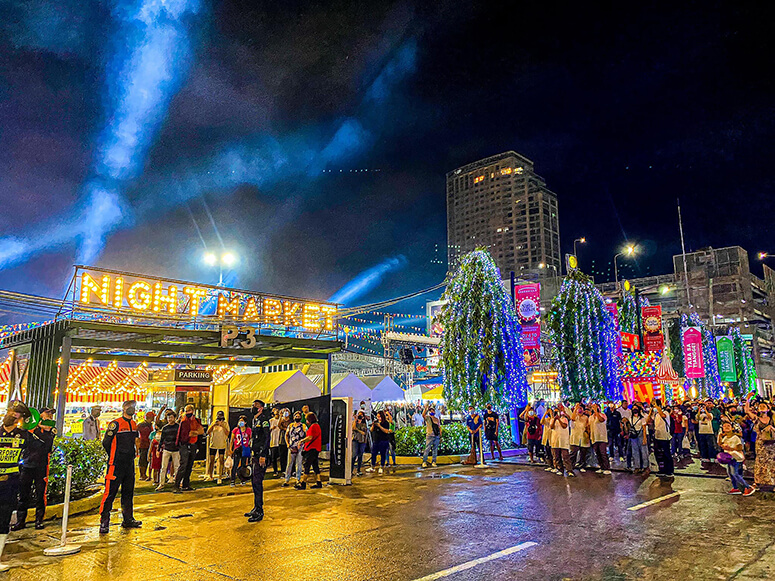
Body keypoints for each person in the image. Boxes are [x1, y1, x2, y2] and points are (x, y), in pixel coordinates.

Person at [99, 400, 142, 534]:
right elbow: (106, 442)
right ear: (123, 408)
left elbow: (136, 441)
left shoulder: (134, 424)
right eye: (129, 406)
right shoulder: (115, 424)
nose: (131, 408)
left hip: (129, 464)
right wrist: (115, 455)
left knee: (128, 492)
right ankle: (104, 521)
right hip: (115, 464)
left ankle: (128, 519)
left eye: (133, 406)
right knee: (110, 493)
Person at [14, 407, 55, 530]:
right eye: (47, 413)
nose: (49, 415)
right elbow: (24, 444)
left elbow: (48, 447)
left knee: (40, 494)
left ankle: (39, 520)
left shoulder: (49, 431)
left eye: (50, 414)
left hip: (41, 466)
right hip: (27, 465)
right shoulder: (27, 430)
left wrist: (45, 430)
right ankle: (20, 521)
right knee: (23, 494)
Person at [0, 401, 30, 572]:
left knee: (4, 520)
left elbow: (43, 447)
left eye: (16, 413)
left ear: (21, 418)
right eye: (10, 410)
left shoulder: (23, 435)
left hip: (10, 483)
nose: (11, 414)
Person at [246, 400, 271, 522]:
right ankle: (256, 507)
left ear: (261, 408)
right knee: (254, 482)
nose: (253, 407)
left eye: (255, 406)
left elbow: (267, 438)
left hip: (261, 455)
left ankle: (259, 511)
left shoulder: (264, 420)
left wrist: (263, 455)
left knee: (257, 482)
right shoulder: (255, 420)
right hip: (255, 454)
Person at [744, 393, 775, 490]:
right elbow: (747, 411)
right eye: (760, 406)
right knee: (760, 462)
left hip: (772, 444)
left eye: (763, 406)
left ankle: (773, 482)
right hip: (761, 444)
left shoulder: (773, 418)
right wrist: (748, 399)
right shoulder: (756, 419)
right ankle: (758, 482)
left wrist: (771, 428)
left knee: (772, 463)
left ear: (768, 409)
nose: (761, 407)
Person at [718, 419, 754, 495]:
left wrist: (730, 448)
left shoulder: (735, 437)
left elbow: (740, 448)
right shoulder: (725, 437)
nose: (726, 427)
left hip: (736, 458)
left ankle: (748, 487)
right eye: (724, 426)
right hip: (729, 458)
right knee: (730, 473)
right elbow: (720, 443)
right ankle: (736, 488)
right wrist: (720, 436)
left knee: (735, 474)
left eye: (728, 426)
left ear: (732, 428)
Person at [173, 405, 203, 493]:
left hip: (193, 444)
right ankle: (176, 485)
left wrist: (195, 432)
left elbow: (201, 431)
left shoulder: (196, 420)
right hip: (185, 444)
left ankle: (185, 484)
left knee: (189, 465)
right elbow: (187, 434)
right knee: (183, 465)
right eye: (186, 410)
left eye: (189, 410)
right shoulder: (184, 421)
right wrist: (195, 432)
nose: (188, 412)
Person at [296, 412, 323, 489]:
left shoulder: (313, 426)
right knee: (315, 465)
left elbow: (310, 437)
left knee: (307, 466)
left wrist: (301, 441)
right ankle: (318, 482)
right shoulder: (317, 426)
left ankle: (303, 483)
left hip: (311, 448)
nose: (306, 421)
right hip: (316, 448)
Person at [157, 410, 180, 491]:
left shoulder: (178, 427)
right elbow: (162, 439)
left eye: (171, 417)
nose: (169, 419)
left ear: (175, 418)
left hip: (176, 449)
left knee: (177, 467)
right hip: (166, 449)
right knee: (163, 467)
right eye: (168, 418)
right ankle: (161, 483)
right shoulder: (165, 428)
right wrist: (158, 449)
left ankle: (178, 483)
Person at [650, 400, 674, 477]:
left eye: (655, 405)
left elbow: (663, 415)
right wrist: (651, 411)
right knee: (659, 455)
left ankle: (669, 470)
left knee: (666, 453)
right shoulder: (656, 414)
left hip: (665, 436)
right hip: (657, 436)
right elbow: (650, 420)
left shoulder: (665, 412)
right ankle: (662, 469)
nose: (654, 407)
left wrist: (658, 407)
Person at [206, 411, 229, 484]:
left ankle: (220, 476)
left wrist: (222, 425)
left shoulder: (225, 423)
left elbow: (227, 433)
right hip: (213, 444)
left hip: (222, 444)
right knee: (212, 460)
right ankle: (210, 475)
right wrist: (213, 425)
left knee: (221, 459)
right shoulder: (214, 423)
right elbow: (208, 432)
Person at [551, 405, 574, 477]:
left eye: (557, 412)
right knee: (557, 456)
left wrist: (559, 419)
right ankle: (560, 469)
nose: (556, 414)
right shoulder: (552, 419)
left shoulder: (564, 419)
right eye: (555, 412)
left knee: (565, 456)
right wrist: (555, 419)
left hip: (563, 440)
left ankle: (569, 470)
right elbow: (551, 427)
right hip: (555, 440)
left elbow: (564, 426)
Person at [284, 411, 306, 486]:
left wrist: (303, 443)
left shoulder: (303, 426)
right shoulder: (290, 426)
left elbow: (307, 435)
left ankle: (298, 479)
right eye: (296, 416)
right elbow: (286, 435)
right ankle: (287, 479)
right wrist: (287, 444)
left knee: (299, 464)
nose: (297, 417)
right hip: (291, 446)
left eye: (298, 416)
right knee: (289, 464)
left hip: (300, 447)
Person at [589, 403, 611, 474]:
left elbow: (601, 420)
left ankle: (607, 468)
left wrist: (596, 412)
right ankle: (601, 467)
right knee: (597, 453)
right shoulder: (591, 417)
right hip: (594, 437)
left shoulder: (603, 415)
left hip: (601, 437)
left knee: (603, 453)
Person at [230, 415, 252, 486]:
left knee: (243, 464)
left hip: (245, 448)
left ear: (245, 422)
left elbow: (251, 438)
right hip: (237, 448)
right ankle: (232, 480)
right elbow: (232, 440)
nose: (240, 422)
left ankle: (242, 479)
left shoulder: (248, 430)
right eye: (239, 421)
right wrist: (230, 449)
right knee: (235, 464)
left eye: (242, 421)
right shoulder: (235, 430)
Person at [569, 404, 591, 472]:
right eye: (579, 408)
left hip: (583, 437)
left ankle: (582, 466)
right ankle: (570, 468)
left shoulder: (586, 417)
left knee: (583, 453)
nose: (580, 410)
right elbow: (572, 419)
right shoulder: (574, 416)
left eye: (581, 408)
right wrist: (575, 408)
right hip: (575, 437)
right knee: (573, 453)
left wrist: (588, 435)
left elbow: (587, 427)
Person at [629, 407, 649, 474]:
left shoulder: (642, 418)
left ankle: (646, 467)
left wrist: (644, 438)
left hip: (641, 435)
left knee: (644, 451)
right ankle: (637, 467)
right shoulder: (630, 418)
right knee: (635, 452)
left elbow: (644, 428)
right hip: (634, 436)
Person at [136, 410, 154, 481]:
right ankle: (142, 474)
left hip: (148, 444)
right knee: (143, 460)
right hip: (143, 444)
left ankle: (144, 474)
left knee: (146, 460)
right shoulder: (142, 425)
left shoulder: (149, 425)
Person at [352, 410, 369, 475]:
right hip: (355, 440)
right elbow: (353, 428)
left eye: (361, 415)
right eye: (359, 415)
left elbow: (365, 432)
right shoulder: (355, 422)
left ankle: (358, 470)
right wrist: (355, 419)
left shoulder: (364, 424)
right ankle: (351, 470)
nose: (360, 416)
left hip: (362, 441)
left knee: (360, 455)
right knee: (354, 455)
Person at [269, 408, 282, 476]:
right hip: (273, 441)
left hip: (280, 441)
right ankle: (275, 471)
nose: (277, 415)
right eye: (276, 414)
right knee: (273, 457)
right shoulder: (271, 421)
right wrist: (271, 428)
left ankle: (283, 470)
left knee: (282, 457)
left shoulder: (281, 420)